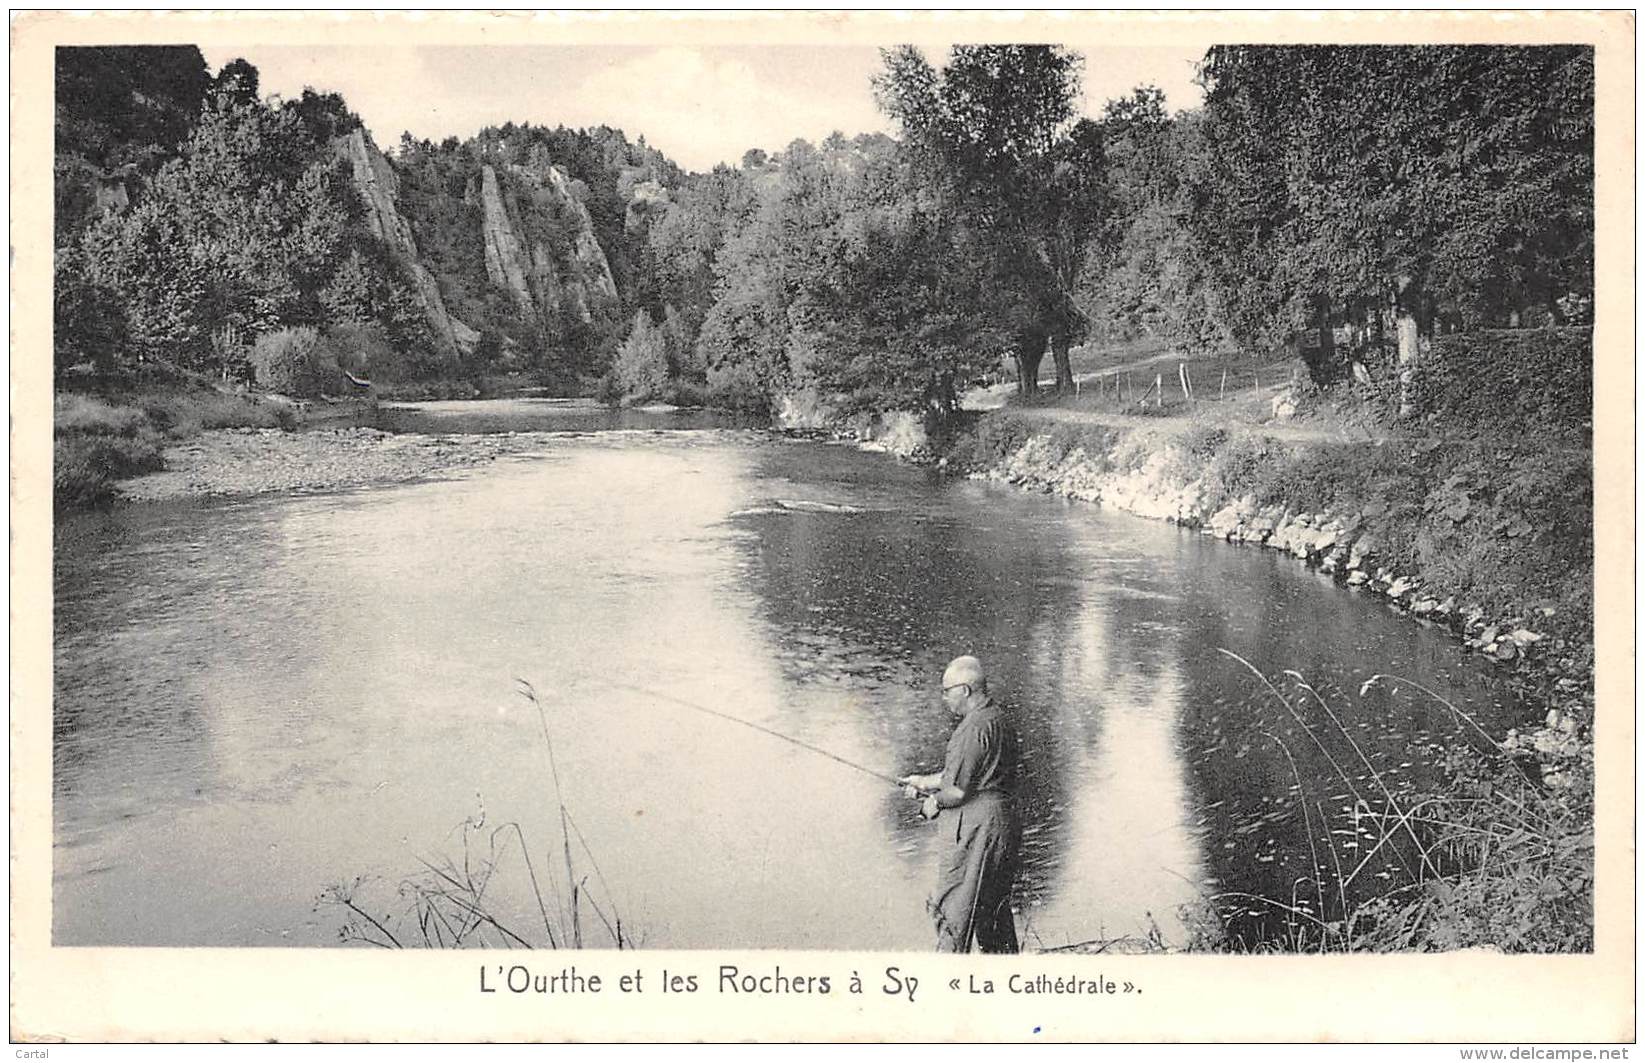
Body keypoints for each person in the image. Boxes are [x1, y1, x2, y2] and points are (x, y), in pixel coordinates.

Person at [898, 654, 1021, 953]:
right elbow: (972, 773)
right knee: (992, 913)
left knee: (955, 911)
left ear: (965, 690)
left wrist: (933, 803)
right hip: (1002, 826)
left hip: (977, 831)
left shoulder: (971, 729)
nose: (944, 698)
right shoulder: (997, 719)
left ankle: (946, 983)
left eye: (947, 691)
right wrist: (924, 781)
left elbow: (958, 792)